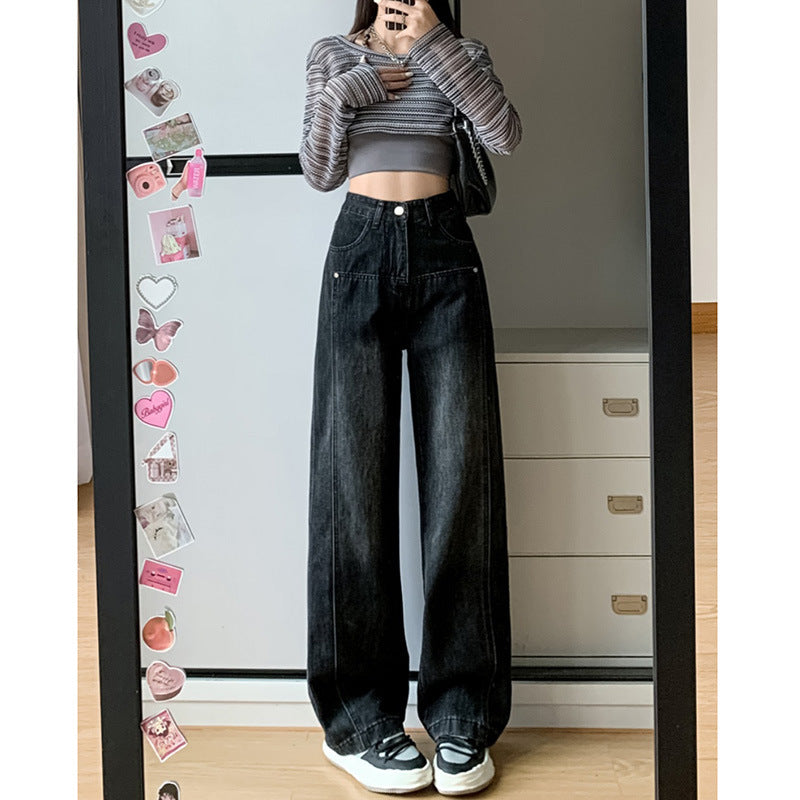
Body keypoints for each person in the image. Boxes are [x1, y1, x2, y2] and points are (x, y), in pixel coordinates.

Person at [300, 0, 522, 794]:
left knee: (462, 489)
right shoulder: (332, 54)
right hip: (358, 249)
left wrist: (435, 46)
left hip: (444, 249)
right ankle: (359, 721)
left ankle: (463, 715)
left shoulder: (461, 51)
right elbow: (320, 169)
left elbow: (504, 134)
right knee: (350, 490)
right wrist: (351, 90)